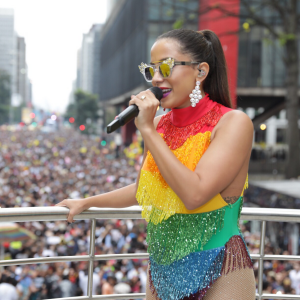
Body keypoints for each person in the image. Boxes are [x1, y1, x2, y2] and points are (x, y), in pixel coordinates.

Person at [56, 28, 255, 299]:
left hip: (221, 266)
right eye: (152, 71)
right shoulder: (160, 125)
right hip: (163, 271)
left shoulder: (233, 123)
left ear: (201, 71)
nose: (157, 79)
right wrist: (87, 202)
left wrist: (147, 130)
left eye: (166, 67)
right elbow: (144, 189)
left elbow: (194, 195)